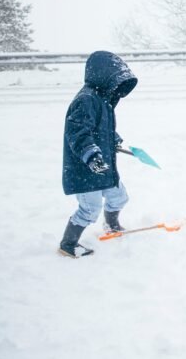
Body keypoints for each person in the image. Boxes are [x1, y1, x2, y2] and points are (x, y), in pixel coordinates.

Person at [58, 51, 138, 258]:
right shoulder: (86, 99)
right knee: (89, 209)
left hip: (104, 165)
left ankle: (111, 225)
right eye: (116, 81)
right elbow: (78, 133)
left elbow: (101, 128)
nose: (117, 87)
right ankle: (68, 244)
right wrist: (92, 155)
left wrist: (114, 140)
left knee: (119, 197)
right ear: (103, 76)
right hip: (85, 167)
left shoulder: (103, 99)